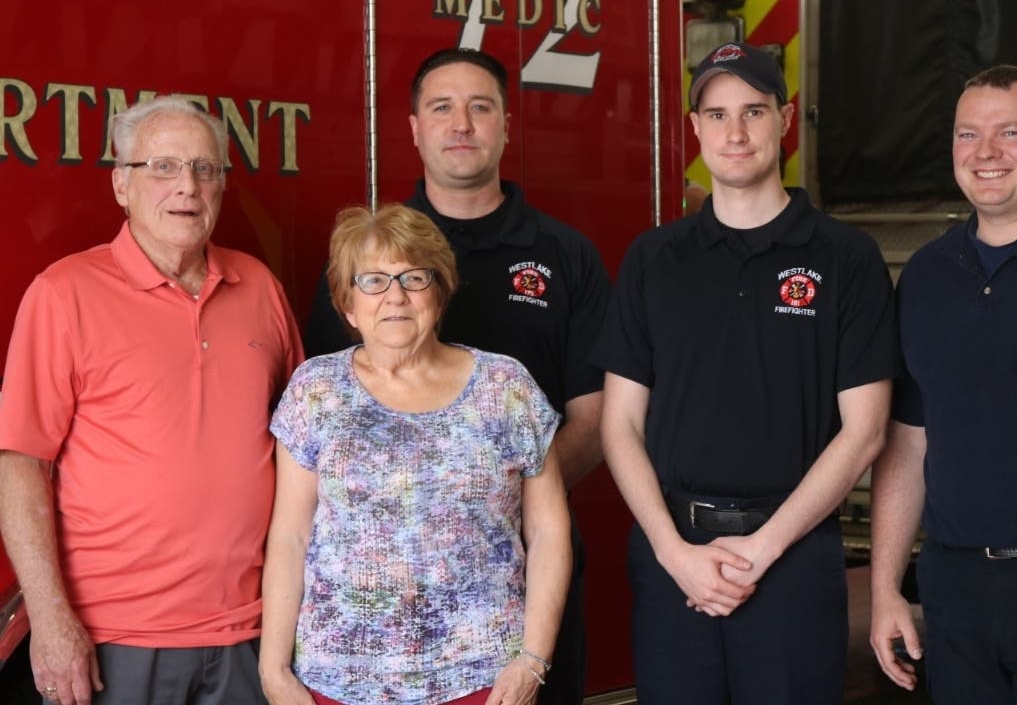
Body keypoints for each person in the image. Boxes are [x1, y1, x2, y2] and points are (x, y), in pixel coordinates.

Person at [593, 41, 897, 704]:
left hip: (792, 561)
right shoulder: (652, 260)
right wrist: (674, 553)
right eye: (717, 114)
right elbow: (618, 424)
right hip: (671, 557)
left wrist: (760, 550)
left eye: (753, 112)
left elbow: (865, 431)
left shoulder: (846, 258)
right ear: (694, 128)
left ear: (784, 119)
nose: (734, 133)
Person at [303, 48, 609, 704]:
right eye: (442, 107)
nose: (461, 123)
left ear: (505, 124)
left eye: (480, 106)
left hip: (530, 571)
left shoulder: (566, 255)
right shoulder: (371, 256)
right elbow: (323, 427)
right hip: (384, 617)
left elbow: (597, 414)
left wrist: (507, 507)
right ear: (414, 127)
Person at [0, 96, 304, 705]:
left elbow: (305, 449)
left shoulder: (260, 287)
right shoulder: (64, 295)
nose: (186, 186)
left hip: (254, 633)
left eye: (204, 168)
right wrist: (52, 623)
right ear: (121, 184)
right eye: (161, 167)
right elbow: (21, 465)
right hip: (114, 639)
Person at [258, 203, 571, 705]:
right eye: (373, 281)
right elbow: (291, 536)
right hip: (337, 680)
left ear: (440, 292)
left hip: (483, 679)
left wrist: (532, 660)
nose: (396, 297)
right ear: (347, 304)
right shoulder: (315, 391)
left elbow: (550, 530)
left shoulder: (505, 386)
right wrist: (274, 670)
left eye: (414, 278)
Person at [870, 64, 1017, 702]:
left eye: (1010, 132)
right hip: (954, 589)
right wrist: (884, 589)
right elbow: (908, 441)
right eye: (966, 134)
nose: (985, 153)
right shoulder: (927, 274)